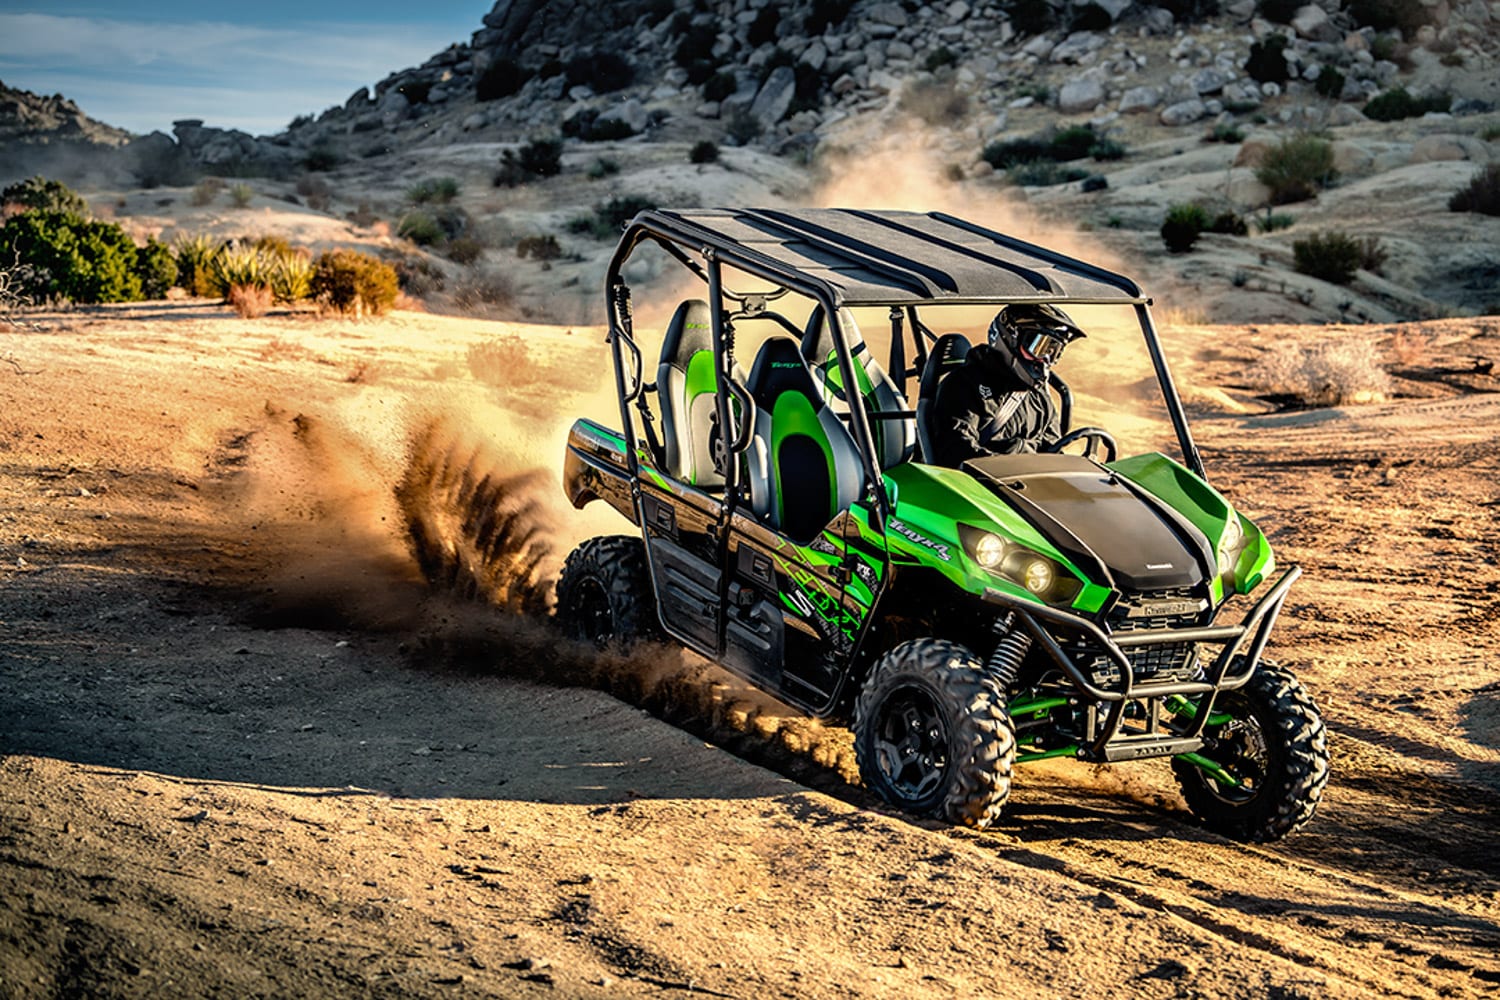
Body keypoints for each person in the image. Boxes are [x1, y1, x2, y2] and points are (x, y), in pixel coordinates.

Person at [929, 303, 1084, 468]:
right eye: (1038, 347)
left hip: (1024, 487)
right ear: (1010, 338)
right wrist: (1018, 469)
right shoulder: (966, 384)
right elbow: (958, 453)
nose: (1044, 359)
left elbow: (1053, 453)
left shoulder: (1039, 397)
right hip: (978, 487)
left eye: (1053, 351)